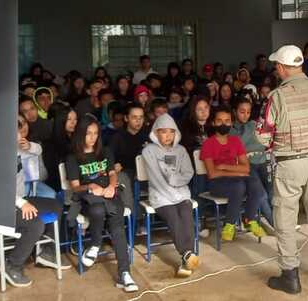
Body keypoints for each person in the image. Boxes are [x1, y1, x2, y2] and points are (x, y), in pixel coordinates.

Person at [257, 44, 308, 294]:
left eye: (276, 66)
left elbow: (262, 136)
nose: (275, 70)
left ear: (282, 68)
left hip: (290, 164)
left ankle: (290, 276)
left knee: (286, 219)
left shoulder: (277, 97)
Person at [65, 118, 137, 292]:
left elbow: (112, 173)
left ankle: (124, 273)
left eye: (96, 133)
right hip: (90, 197)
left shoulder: (105, 151)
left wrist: (112, 186)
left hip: (110, 195)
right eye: (88, 133)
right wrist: (90, 186)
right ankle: (96, 243)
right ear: (80, 134)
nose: (92, 137)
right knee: (97, 210)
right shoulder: (73, 157)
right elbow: (75, 187)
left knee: (117, 227)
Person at [5, 117, 70, 288]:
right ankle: (13, 265)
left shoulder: (17, 149)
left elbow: (38, 150)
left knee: (56, 205)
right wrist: (21, 203)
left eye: (20, 135)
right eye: (16, 135)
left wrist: (29, 146)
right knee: (35, 224)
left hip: (19, 201)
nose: (19, 139)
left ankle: (47, 252)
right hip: (2, 207)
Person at [142, 114, 200, 278]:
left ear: (176, 133)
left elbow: (188, 172)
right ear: (156, 133)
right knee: (174, 217)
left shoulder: (181, 150)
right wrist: (173, 189)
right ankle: (188, 255)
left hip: (181, 194)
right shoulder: (149, 151)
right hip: (160, 196)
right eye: (163, 132)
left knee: (186, 215)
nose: (167, 136)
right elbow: (156, 178)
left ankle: (186, 257)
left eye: (171, 132)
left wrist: (176, 182)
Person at [199, 107, 267, 242]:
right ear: (213, 123)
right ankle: (229, 224)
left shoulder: (235, 141)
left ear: (231, 123)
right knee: (239, 185)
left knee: (255, 183)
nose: (224, 124)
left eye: (227, 121)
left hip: (234, 179)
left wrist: (224, 167)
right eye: (219, 121)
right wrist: (237, 170)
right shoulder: (208, 144)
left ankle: (249, 218)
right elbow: (212, 173)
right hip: (217, 184)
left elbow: (246, 168)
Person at [230, 99, 274, 227]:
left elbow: (263, 144)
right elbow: (239, 145)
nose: (245, 115)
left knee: (273, 192)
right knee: (262, 195)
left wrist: (251, 149)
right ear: (235, 111)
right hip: (246, 166)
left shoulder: (254, 124)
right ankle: (275, 225)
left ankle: (281, 222)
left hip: (262, 161)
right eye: (242, 111)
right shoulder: (232, 129)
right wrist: (250, 132)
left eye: (248, 112)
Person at [17, 114, 57, 199]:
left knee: (51, 194)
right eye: (19, 126)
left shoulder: (32, 142)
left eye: (24, 123)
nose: (23, 127)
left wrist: (29, 146)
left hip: (34, 183)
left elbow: (39, 149)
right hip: (17, 186)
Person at [109, 104, 149, 182]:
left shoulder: (148, 136)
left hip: (145, 173)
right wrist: (114, 165)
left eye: (141, 117)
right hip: (124, 175)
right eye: (134, 117)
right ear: (126, 118)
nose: (138, 121)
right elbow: (110, 157)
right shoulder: (117, 137)